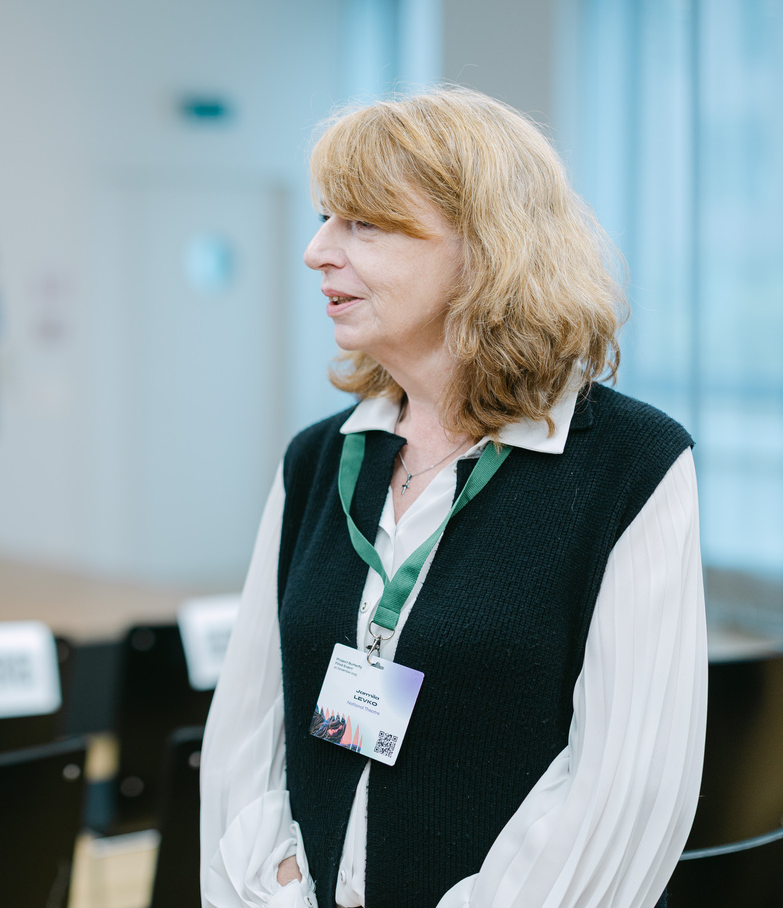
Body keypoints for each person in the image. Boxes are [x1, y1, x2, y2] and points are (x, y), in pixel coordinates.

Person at [199, 87, 707, 908]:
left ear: (484, 249)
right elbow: (246, 732)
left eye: (362, 224)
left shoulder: (629, 465)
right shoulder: (319, 458)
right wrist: (269, 889)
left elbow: (625, 788)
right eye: (326, 218)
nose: (316, 251)